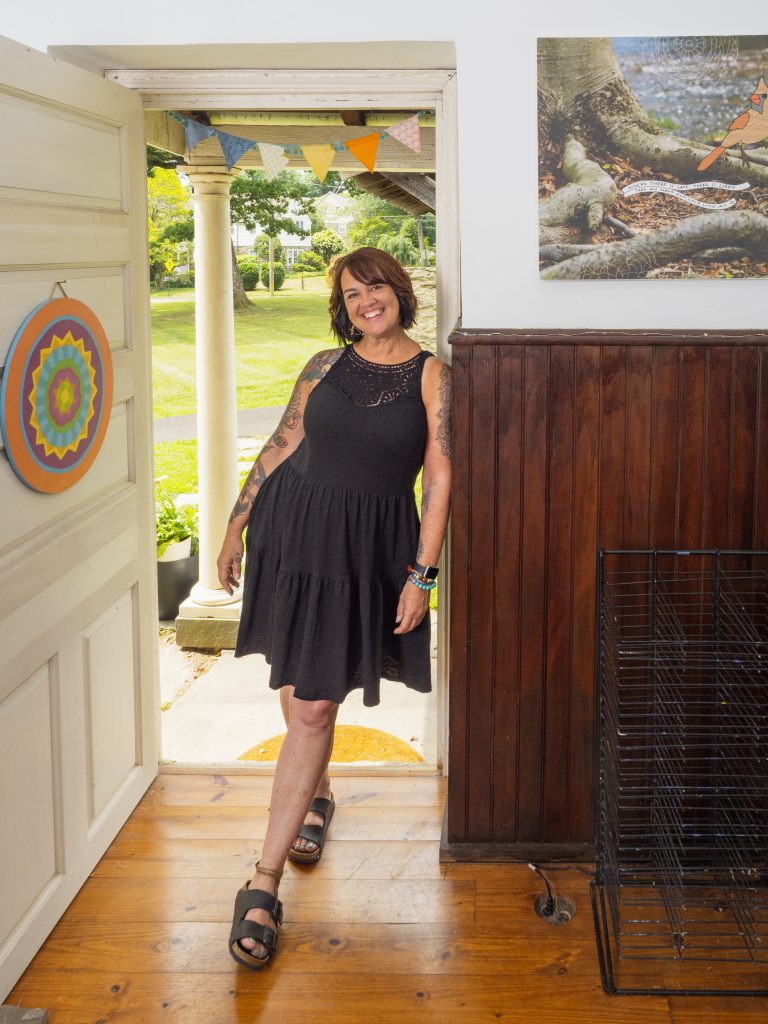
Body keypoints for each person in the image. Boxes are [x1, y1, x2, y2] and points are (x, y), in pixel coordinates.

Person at [217, 246, 452, 970]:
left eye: (375, 287)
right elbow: (283, 441)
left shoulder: (434, 376)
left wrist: (422, 576)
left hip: (364, 549)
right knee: (299, 684)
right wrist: (234, 524)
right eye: (352, 294)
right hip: (292, 532)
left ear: (398, 291)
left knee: (316, 705)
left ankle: (263, 881)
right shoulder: (323, 364)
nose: (365, 301)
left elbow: (440, 478)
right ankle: (315, 796)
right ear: (342, 307)